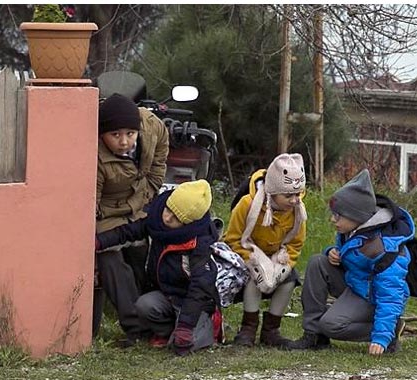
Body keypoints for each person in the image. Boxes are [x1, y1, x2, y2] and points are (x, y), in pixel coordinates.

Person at [288, 169, 415, 355]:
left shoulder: (385, 247)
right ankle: (314, 335)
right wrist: (333, 253)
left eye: (338, 215)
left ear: (356, 215)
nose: (333, 220)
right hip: (357, 284)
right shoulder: (354, 229)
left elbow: (390, 297)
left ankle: (392, 331)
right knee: (318, 262)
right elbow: (353, 254)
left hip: (375, 297)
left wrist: (381, 337)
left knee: (331, 324)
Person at [96, 180, 221, 355]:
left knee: (185, 346)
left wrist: (185, 326)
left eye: (176, 218)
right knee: (144, 305)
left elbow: (200, 288)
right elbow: (129, 232)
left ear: (188, 223)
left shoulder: (200, 246)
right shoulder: (157, 219)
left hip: (193, 303)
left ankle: (206, 325)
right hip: (168, 296)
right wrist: (100, 241)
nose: (167, 217)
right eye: (168, 209)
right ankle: (166, 332)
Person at [93, 93, 169, 343]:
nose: (124, 141)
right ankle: (135, 328)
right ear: (103, 134)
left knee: (143, 254)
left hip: (141, 204)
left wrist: (149, 190)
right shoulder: (96, 159)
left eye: (130, 133)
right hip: (107, 212)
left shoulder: (151, 125)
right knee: (111, 260)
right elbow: (90, 202)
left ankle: (157, 319)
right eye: (115, 135)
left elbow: (161, 151)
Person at [223, 153, 307, 348]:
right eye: (288, 196)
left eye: (298, 194)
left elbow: (296, 243)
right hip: (247, 255)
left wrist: (284, 264)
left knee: (289, 280)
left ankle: (271, 330)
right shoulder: (247, 205)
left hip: (279, 256)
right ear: (272, 192)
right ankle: (248, 328)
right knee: (256, 280)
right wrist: (252, 260)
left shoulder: (298, 211)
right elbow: (233, 238)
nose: (295, 200)